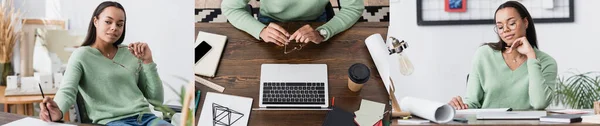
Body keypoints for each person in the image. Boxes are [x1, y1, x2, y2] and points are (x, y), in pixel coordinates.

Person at [38, 1, 171, 126]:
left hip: (146, 118)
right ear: (96, 21)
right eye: (108, 22)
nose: (114, 28)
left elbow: (157, 100)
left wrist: (148, 61)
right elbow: (67, 91)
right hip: (113, 121)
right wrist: (58, 111)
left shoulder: (132, 53)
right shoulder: (81, 55)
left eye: (119, 24)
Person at [448, 1, 557, 110]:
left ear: (525, 22)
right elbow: (472, 103)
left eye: (512, 23)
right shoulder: (484, 55)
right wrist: (459, 106)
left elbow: (539, 103)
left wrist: (531, 56)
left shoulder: (547, 62)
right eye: (500, 27)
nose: (505, 30)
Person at [221, 0, 364, 46]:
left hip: (316, 22)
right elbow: (230, 7)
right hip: (270, 23)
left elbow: (353, 7)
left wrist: (324, 31)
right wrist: (260, 30)